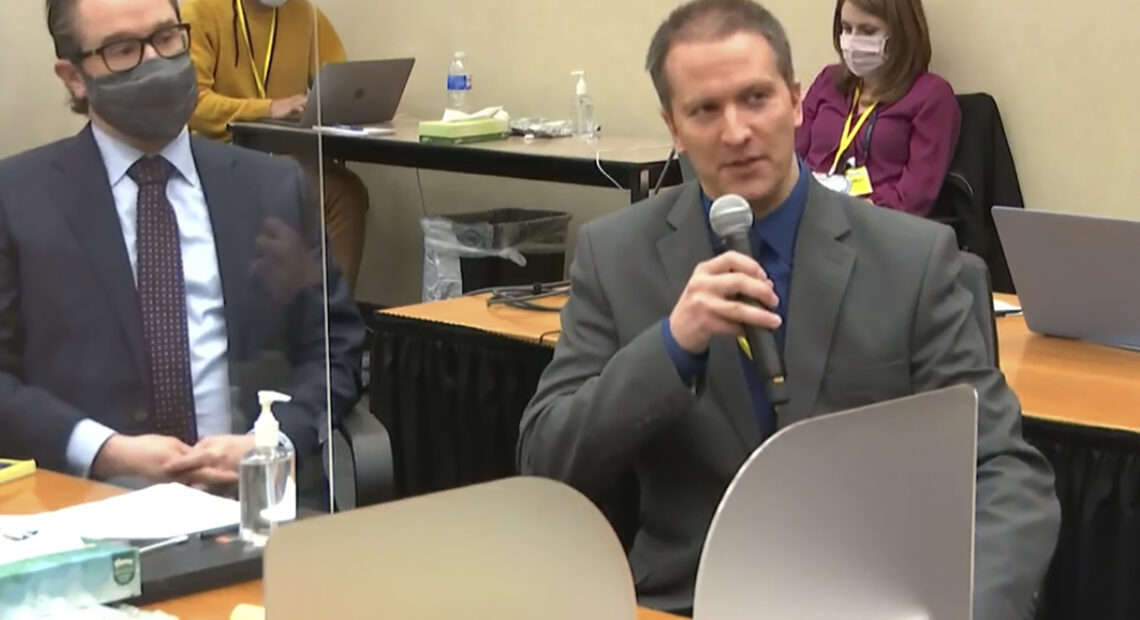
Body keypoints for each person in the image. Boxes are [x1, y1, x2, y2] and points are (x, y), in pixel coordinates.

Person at [517, 0, 1058, 616]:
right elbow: (546, 463)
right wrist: (670, 347)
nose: (736, 131)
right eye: (705, 110)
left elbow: (1005, 476)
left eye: (755, 99)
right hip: (688, 601)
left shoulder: (914, 262)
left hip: (867, 602)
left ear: (797, 101)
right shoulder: (616, 257)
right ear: (672, 125)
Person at [0, 0, 363, 506]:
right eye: (123, 50)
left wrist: (272, 441)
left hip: (256, 502)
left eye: (167, 38)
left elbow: (334, 347)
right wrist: (104, 450)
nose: (155, 62)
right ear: (73, 77)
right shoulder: (16, 199)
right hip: (88, 510)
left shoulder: (271, 188)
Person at [180, 0, 370, 292]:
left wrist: (356, 105)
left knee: (344, 192)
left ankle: (333, 323)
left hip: (283, 162)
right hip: (219, 161)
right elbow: (193, 104)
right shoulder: (200, 10)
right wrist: (268, 109)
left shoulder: (304, 13)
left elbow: (340, 82)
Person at [795, 0, 960, 216]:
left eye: (867, 31)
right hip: (807, 211)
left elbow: (915, 196)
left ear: (900, 33)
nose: (852, 41)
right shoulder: (829, 80)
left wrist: (851, 212)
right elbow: (790, 154)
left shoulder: (931, 95)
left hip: (874, 224)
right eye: (846, 28)